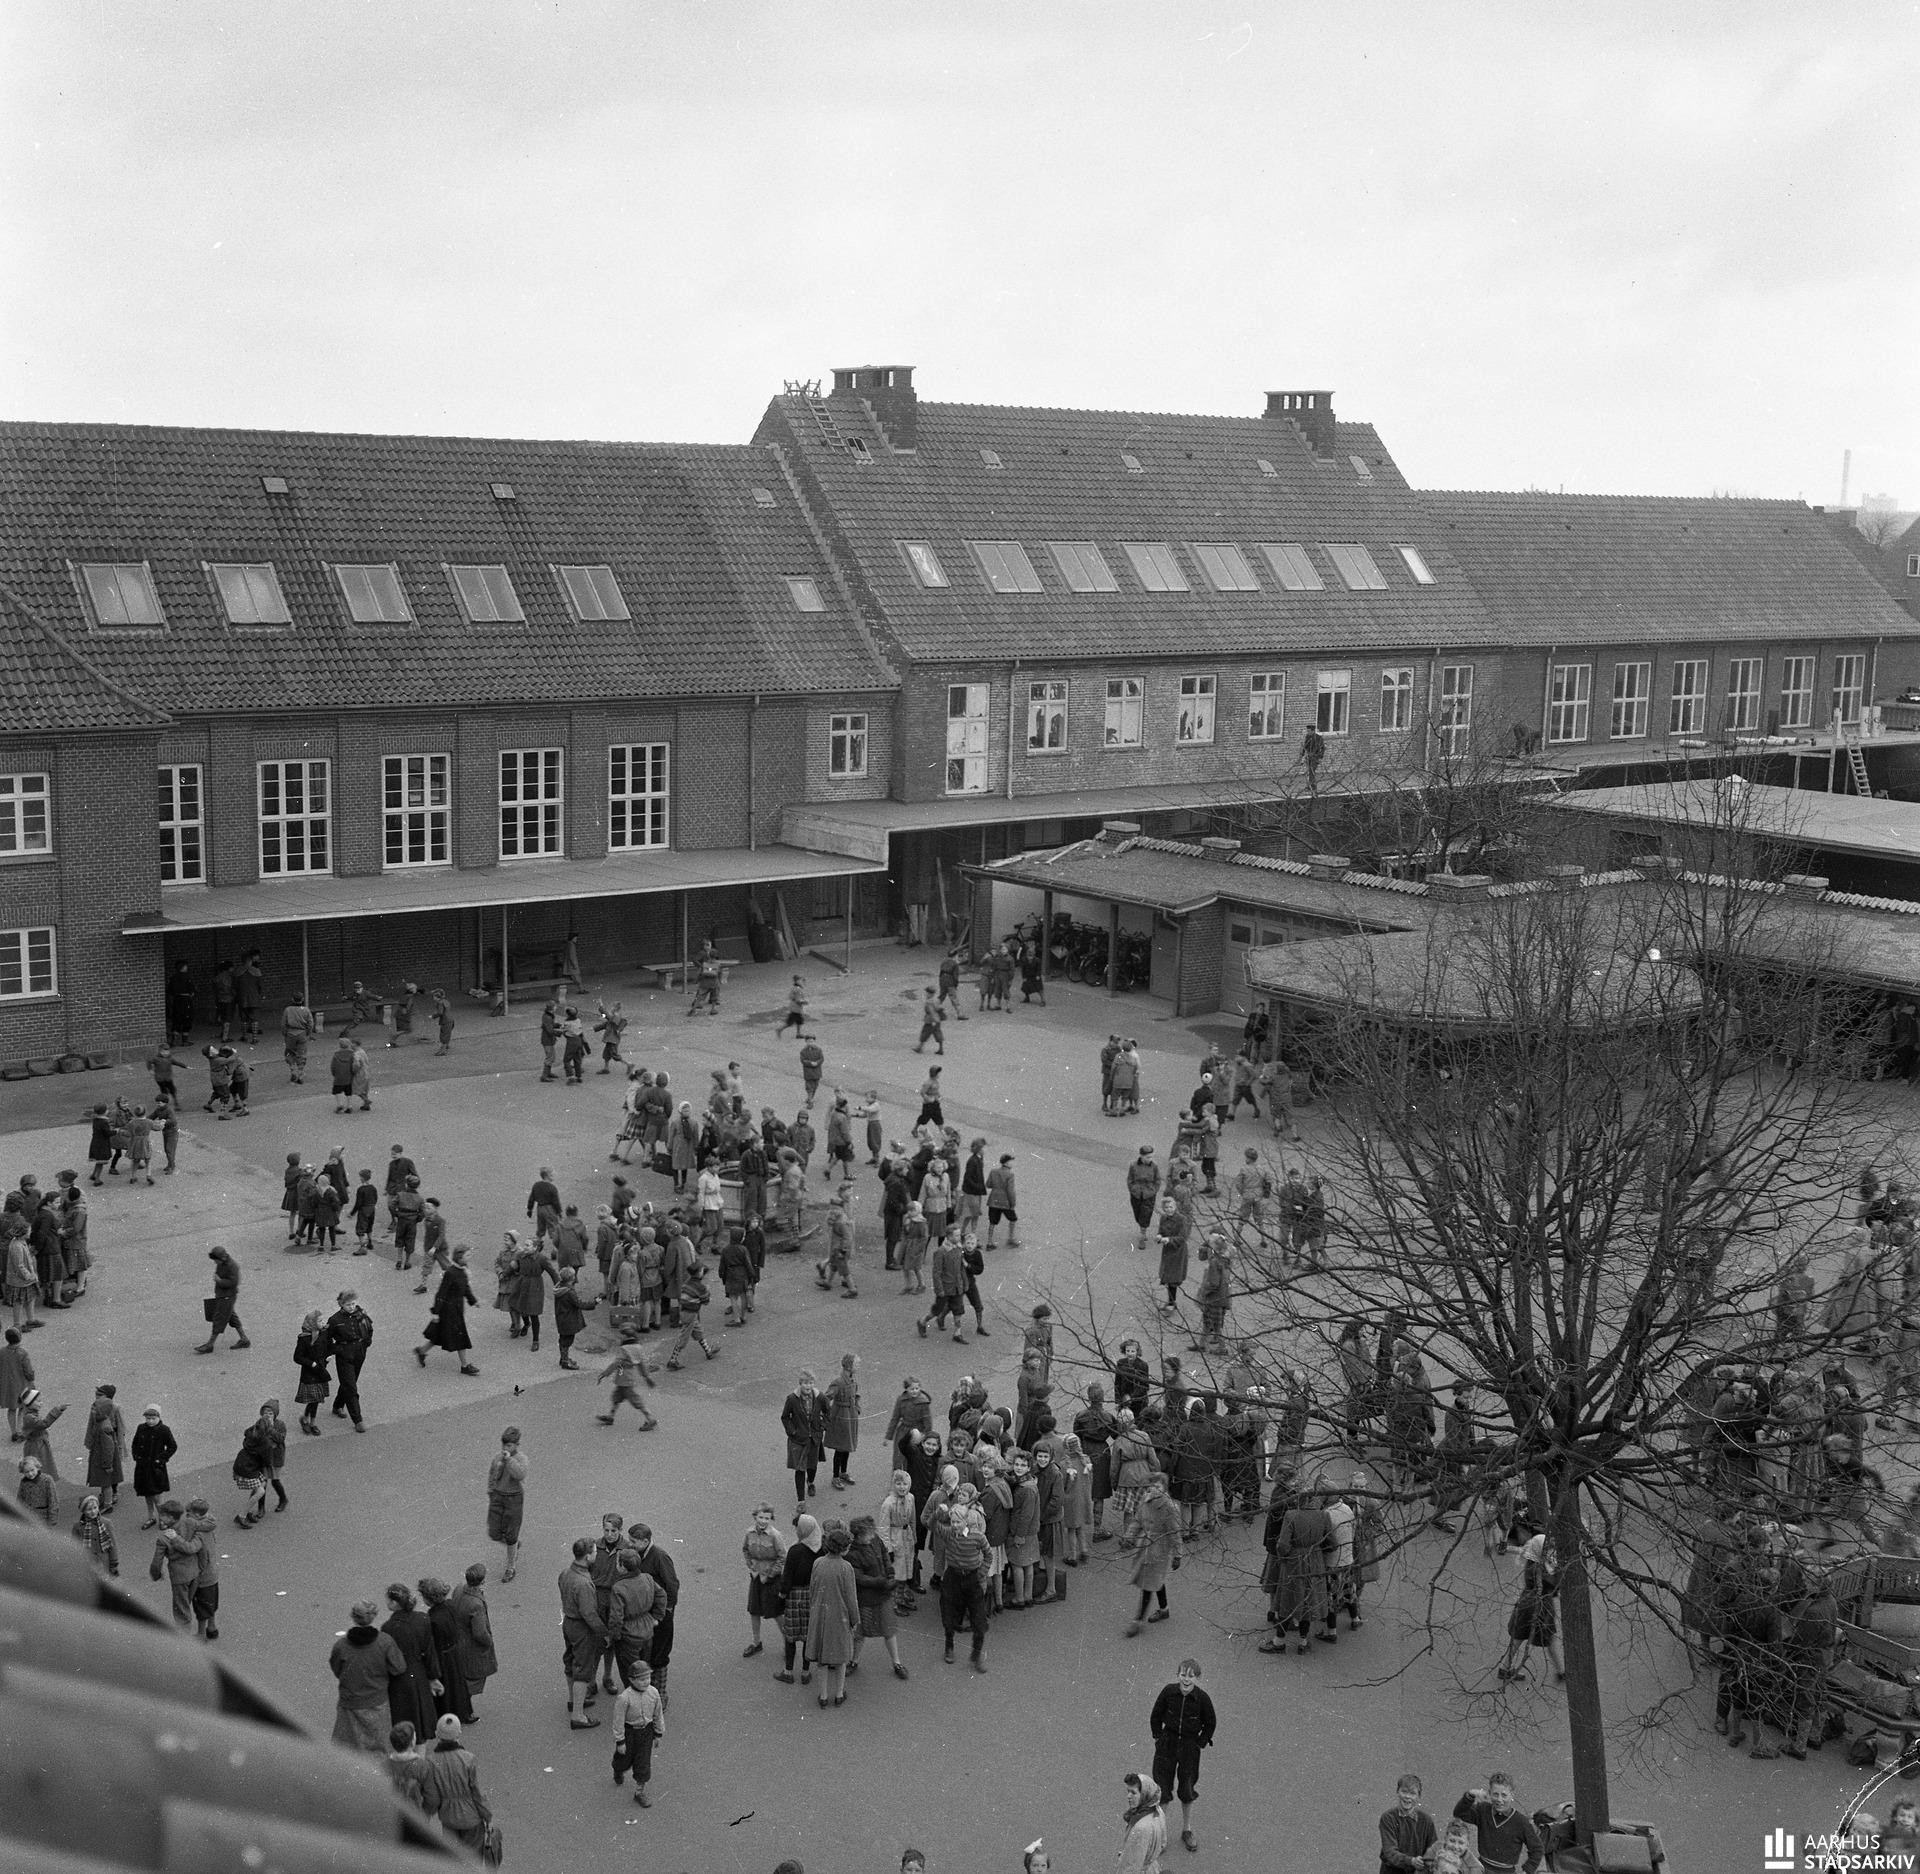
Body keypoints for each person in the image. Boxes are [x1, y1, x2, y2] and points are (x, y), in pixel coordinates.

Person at [1149, 1658, 1216, 1855]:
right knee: (1162, 1789)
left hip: (1189, 1747)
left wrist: (1199, 1743)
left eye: (1191, 1676)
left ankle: (1187, 1830)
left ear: (1197, 1678)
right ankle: (1161, 1835)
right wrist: (1158, 1737)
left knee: (1187, 1788)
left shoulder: (1203, 1699)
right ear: (1177, 1675)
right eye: (1183, 1675)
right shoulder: (1168, 1692)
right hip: (1167, 1745)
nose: (1186, 1679)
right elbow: (1155, 1715)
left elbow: (1210, 1723)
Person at [332, 1599, 409, 1751]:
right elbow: (398, 1667)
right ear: (373, 1616)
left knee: (349, 1749)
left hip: (350, 1704)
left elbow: (337, 1669)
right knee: (379, 1748)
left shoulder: (341, 1646)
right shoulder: (385, 1641)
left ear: (353, 1617)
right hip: (377, 1702)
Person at [805, 1521, 861, 1708]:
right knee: (840, 1658)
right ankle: (839, 1693)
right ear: (843, 1548)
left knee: (821, 1659)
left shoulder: (818, 1563)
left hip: (820, 1615)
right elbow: (851, 1598)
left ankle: (823, 1696)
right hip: (839, 1618)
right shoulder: (846, 1568)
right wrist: (854, 1620)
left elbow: (812, 1590)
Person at [418, 1713, 492, 1852]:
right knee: (473, 1858)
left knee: (452, 1856)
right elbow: (478, 1793)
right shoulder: (468, 1759)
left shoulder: (431, 1762)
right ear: (459, 1733)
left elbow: (432, 1798)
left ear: (437, 1734)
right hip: (472, 1819)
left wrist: (424, 1816)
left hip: (449, 1819)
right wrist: (487, 1815)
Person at [381, 1581, 443, 1741]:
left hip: (399, 1681)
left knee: (403, 1722)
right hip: (419, 1674)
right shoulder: (423, 1619)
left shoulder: (388, 1628)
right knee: (421, 1726)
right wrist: (433, 1677)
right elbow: (429, 1652)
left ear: (394, 1603)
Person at [559, 1536, 608, 1728]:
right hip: (582, 1628)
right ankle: (578, 1715)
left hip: (569, 1622)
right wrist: (604, 1633)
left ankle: (573, 1701)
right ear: (587, 1556)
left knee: (570, 1661)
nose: (596, 1554)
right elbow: (589, 1614)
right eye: (595, 1552)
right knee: (583, 1670)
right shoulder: (583, 1583)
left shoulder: (565, 1573)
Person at [1452, 1775, 1545, 1874]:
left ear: (1512, 1795)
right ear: (1489, 1793)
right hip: (1480, 1868)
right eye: (1495, 1794)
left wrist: (1527, 1871)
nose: (1499, 1800)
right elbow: (1460, 1813)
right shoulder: (1483, 1810)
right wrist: (1471, 1794)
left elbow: (1537, 1849)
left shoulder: (1521, 1822)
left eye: (1504, 1795)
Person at [1126, 1474, 1182, 1636]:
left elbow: (1175, 1532)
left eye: (1158, 1487)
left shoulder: (1169, 1507)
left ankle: (1138, 1621)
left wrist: (1178, 1555)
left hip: (1159, 1550)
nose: (1154, 1490)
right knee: (1155, 1580)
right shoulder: (1145, 1500)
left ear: (1164, 1488)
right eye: (1152, 1486)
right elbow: (1137, 1521)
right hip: (1145, 1547)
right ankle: (1164, 1609)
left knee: (1147, 1584)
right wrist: (1129, 1536)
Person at [611, 1657, 666, 1807]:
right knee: (623, 1760)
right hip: (630, 1733)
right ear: (631, 1680)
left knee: (643, 1764)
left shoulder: (653, 1693)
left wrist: (658, 1733)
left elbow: (658, 1714)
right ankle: (618, 1769)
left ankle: (639, 1792)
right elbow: (618, 1721)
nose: (646, 1682)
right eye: (641, 1679)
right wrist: (620, 1741)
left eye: (648, 1678)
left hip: (646, 1733)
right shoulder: (624, 1698)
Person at [420, 1576, 474, 1725]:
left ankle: (447, 1717)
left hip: (442, 1656)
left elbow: (432, 1644)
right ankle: (465, 1713)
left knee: (446, 1688)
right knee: (459, 1684)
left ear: (428, 1598)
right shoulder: (450, 1605)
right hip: (454, 1651)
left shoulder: (432, 1618)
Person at [776, 1514, 821, 1684]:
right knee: (808, 1636)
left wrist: (781, 1596)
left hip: (794, 1597)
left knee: (791, 1636)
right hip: (812, 1596)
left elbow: (786, 1578)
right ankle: (805, 1672)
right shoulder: (821, 1549)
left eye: (797, 1528)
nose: (796, 1531)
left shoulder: (795, 1551)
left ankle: (788, 1671)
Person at [742, 1503, 789, 1657]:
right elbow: (745, 1550)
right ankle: (756, 1643)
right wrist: (751, 1566)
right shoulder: (749, 1533)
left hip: (772, 1580)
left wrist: (770, 1574)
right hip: (756, 1577)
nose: (763, 1521)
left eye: (767, 1518)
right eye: (761, 1517)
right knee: (754, 1611)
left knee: (777, 1613)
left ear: (771, 1519)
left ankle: (787, 1644)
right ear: (755, 1517)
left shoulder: (775, 1536)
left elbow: (782, 1557)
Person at [451, 1563, 498, 1709]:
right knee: (472, 1680)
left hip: (458, 1639)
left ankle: (461, 1705)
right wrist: (489, 1642)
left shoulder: (459, 1589)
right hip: (471, 1648)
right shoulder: (476, 1604)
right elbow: (480, 1632)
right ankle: (463, 1708)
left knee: (462, 1677)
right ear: (482, 1581)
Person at [486, 1427, 527, 1582]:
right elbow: (492, 1474)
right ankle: (514, 1545)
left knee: (511, 1534)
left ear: (516, 1445)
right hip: (498, 1496)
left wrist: (509, 1460)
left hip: (513, 1498)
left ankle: (511, 1567)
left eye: (509, 1445)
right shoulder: (497, 1457)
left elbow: (520, 1474)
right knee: (494, 1532)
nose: (505, 1448)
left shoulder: (521, 1459)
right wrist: (491, 1490)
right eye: (504, 1445)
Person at [194, 1245, 248, 1353]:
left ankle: (210, 1344)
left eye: (216, 1260)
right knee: (232, 1318)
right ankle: (244, 1339)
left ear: (221, 1258)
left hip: (227, 1297)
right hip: (223, 1296)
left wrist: (219, 1281)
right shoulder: (222, 1264)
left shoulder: (232, 1266)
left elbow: (233, 1282)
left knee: (219, 1319)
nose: (215, 1262)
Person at [82, 1383, 126, 1512]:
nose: (96, 1397)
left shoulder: (109, 1413)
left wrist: (120, 1446)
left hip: (109, 1445)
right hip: (101, 1445)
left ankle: (110, 1498)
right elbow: (91, 1425)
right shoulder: (98, 1410)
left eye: (99, 1395)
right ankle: (107, 1496)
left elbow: (120, 1428)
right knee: (106, 1477)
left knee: (110, 1475)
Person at [129, 1403, 175, 1528]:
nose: (150, 1421)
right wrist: (136, 1456)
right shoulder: (141, 1428)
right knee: (147, 1495)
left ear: (159, 1417)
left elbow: (172, 1446)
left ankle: (163, 1519)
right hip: (143, 1467)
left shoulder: (164, 1430)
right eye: (148, 1418)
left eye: (153, 1418)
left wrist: (160, 1459)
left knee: (157, 1497)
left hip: (156, 1468)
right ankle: (151, 1517)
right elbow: (135, 1443)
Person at [784, 1370, 826, 1505]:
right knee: (800, 1469)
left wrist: (822, 1426)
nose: (808, 1386)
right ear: (800, 1384)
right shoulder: (792, 1399)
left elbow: (828, 1413)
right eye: (805, 1383)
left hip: (814, 1439)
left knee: (812, 1466)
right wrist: (792, 1432)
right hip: (798, 1440)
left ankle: (811, 1482)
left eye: (811, 1383)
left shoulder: (820, 1397)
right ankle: (801, 1501)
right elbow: (785, 1417)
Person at [597, 1339, 660, 1429]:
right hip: (624, 1382)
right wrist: (646, 1377)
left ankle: (650, 1419)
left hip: (625, 1383)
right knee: (616, 1398)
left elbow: (614, 1365)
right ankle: (610, 1416)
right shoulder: (633, 1358)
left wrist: (604, 1374)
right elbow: (641, 1366)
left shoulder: (623, 1357)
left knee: (636, 1401)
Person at [1118, 1772, 1169, 1874]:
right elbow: (1163, 1843)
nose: (1128, 1796)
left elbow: (1131, 1867)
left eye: (1133, 1793)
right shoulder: (1158, 1811)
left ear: (1144, 1794)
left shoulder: (1140, 1829)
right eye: (1128, 1791)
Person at [824, 1353, 861, 1489]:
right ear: (849, 1366)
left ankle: (843, 1472)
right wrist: (827, 1413)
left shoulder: (853, 1379)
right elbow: (826, 1398)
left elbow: (856, 1395)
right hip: (841, 1417)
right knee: (840, 1448)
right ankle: (835, 1476)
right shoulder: (838, 1382)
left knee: (847, 1446)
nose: (858, 1366)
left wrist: (857, 1407)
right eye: (856, 1363)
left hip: (851, 1415)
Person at [294, 1311, 332, 1433]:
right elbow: (297, 1357)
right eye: (320, 1321)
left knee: (316, 1399)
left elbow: (328, 1346)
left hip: (320, 1370)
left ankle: (309, 1420)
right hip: (309, 1373)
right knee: (314, 1399)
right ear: (312, 1323)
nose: (323, 1323)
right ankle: (308, 1421)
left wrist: (328, 1356)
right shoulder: (304, 1338)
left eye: (322, 1320)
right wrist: (311, 1363)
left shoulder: (323, 1333)